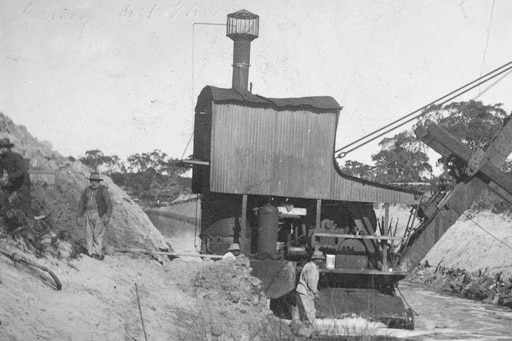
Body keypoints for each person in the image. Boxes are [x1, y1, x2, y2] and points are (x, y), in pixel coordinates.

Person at [76, 172, 112, 260]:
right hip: (88, 213)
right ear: (90, 181)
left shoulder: (103, 190)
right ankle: (90, 253)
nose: (94, 183)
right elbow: (82, 203)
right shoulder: (86, 190)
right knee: (88, 233)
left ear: (98, 182)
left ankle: (97, 253)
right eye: (92, 180)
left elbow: (109, 204)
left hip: (99, 214)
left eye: (96, 181)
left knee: (97, 234)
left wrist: (107, 216)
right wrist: (79, 215)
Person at [0, 138, 32, 218]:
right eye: (1, 147)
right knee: (4, 195)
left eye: (4, 147)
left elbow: (21, 171)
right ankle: (9, 217)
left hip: (23, 181)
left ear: (8, 148)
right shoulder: (2, 159)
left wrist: (8, 177)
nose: (2, 149)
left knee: (25, 203)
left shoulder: (16, 156)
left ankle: (32, 221)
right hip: (14, 181)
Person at [296, 250, 324, 328]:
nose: (321, 261)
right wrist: (316, 292)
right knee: (310, 312)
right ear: (317, 259)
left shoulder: (307, 265)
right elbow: (311, 282)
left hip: (300, 291)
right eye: (320, 259)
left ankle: (301, 330)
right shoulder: (313, 268)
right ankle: (312, 330)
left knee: (302, 313)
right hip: (306, 292)